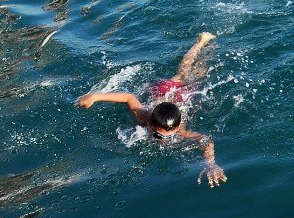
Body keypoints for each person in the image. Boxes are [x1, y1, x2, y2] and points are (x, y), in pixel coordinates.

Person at [75, 32, 227, 187]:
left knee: (191, 74)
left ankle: (202, 43)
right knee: (184, 75)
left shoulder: (180, 131)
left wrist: (211, 164)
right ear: (151, 125)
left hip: (179, 98)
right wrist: (95, 97)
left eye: (168, 137)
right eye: (158, 135)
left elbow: (206, 141)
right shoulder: (144, 117)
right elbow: (128, 97)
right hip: (164, 90)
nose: (161, 140)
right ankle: (200, 44)